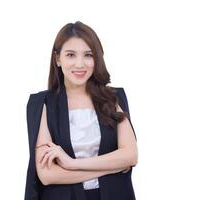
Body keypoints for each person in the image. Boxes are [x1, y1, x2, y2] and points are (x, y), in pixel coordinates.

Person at [24, 21, 138, 200]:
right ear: (58, 59)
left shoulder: (113, 98)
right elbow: (47, 175)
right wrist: (113, 166)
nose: (80, 64)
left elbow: (130, 155)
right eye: (70, 55)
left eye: (88, 55)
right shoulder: (43, 103)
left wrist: (71, 164)